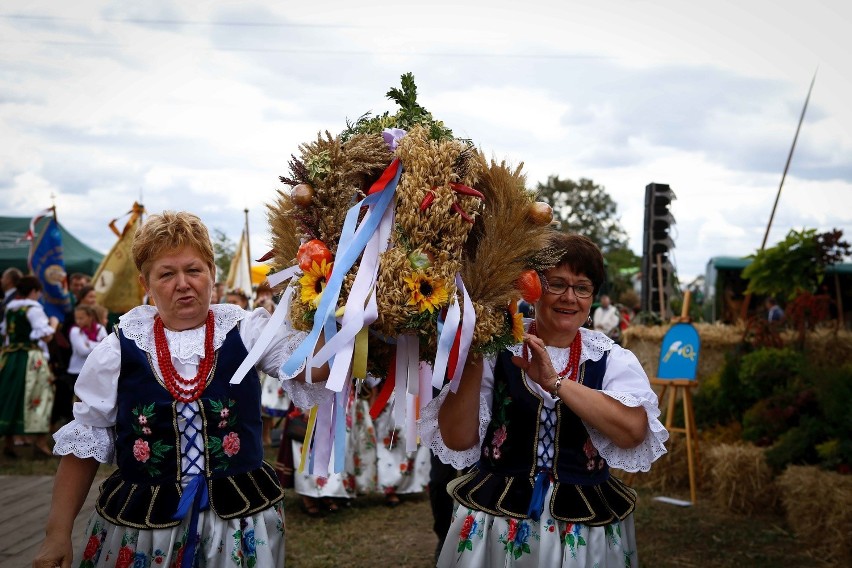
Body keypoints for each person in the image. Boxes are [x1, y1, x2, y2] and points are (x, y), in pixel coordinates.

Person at [33, 211, 315, 568]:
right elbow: (84, 446)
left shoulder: (248, 331)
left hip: (239, 521)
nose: (183, 283)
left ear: (212, 273)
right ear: (145, 284)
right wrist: (56, 534)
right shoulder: (119, 349)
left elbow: (313, 369)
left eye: (193, 270)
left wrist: (362, 318)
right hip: (145, 531)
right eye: (166, 274)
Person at [422, 232, 668, 567]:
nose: (570, 297)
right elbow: (458, 437)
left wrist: (556, 383)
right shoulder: (498, 349)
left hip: (582, 525)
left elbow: (632, 431)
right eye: (557, 284)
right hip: (498, 520)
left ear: (592, 297)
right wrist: (475, 347)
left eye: (582, 287)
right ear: (533, 288)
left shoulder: (610, 358)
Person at [0, 275, 60, 458]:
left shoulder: (10, 309)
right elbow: (46, 336)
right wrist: (54, 324)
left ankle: (9, 443)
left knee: (12, 395)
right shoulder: (33, 309)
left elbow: (5, 334)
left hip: (10, 357)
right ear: (34, 291)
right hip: (30, 359)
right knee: (41, 394)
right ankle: (40, 443)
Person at [51, 304, 107, 430]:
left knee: (91, 400)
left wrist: (89, 344)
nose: (78, 321)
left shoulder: (99, 328)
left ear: (90, 317)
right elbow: (82, 351)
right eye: (77, 318)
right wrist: (96, 344)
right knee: (77, 401)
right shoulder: (75, 331)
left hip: (94, 370)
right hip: (77, 371)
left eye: (81, 318)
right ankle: (77, 427)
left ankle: (90, 427)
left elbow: (105, 348)